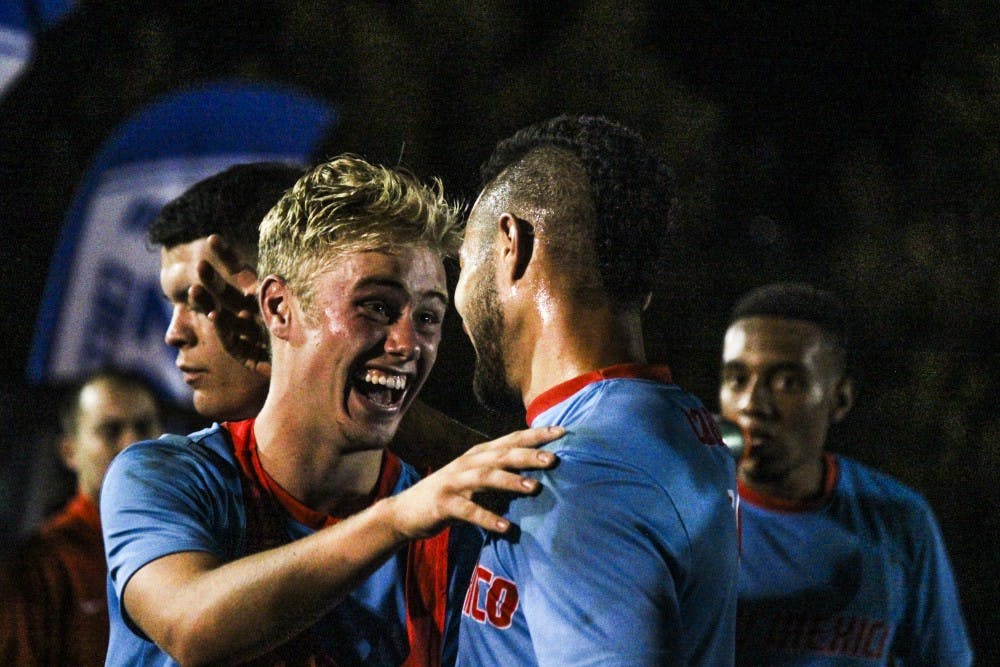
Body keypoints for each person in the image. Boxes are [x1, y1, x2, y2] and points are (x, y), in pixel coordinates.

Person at [102, 155, 563, 665]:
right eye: (376, 307)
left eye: (429, 316)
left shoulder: (450, 529)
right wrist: (397, 519)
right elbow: (192, 629)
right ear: (278, 309)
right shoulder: (165, 477)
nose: (409, 344)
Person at [453, 115, 739, 665]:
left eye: (465, 264)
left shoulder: (581, 481)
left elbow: (588, 491)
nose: (459, 297)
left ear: (511, 245)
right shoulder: (671, 424)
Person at [150, 160, 484, 469]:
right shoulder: (170, 478)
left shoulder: (435, 491)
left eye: (199, 301)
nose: (174, 333)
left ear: (277, 302)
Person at [719, 282, 973, 665]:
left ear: (840, 399)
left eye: (786, 381)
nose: (752, 403)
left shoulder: (899, 519)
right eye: (737, 379)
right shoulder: (681, 515)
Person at [0, 369, 161, 666]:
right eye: (110, 430)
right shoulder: (41, 564)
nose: (132, 444)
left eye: (143, 426)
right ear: (69, 452)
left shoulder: (192, 541)